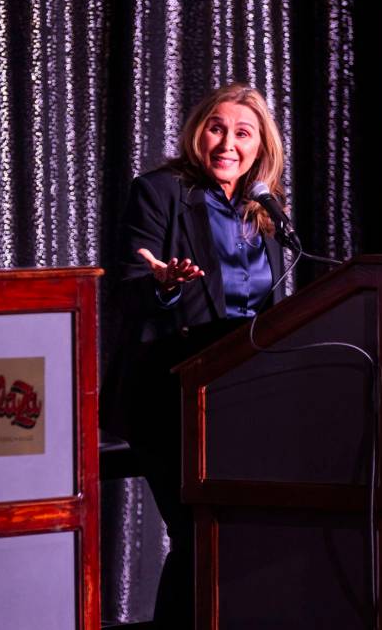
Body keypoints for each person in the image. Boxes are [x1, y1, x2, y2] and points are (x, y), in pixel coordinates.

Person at [100, 83, 288, 628]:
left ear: (260, 148)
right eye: (217, 128)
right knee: (200, 531)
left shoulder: (263, 210)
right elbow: (127, 289)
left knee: (239, 532)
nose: (228, 141)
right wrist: (163, 284)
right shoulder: (161, 192)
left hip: (245, 396)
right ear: (196, 133)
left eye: (243, 133)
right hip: (169, 394)